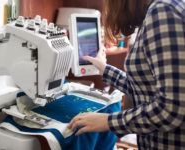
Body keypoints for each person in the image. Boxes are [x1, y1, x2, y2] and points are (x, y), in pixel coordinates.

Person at [68, 0, 185, 149]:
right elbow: (147, 88)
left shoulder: (162, 11)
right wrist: (104, 69)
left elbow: (173, 107)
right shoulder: (163, 9)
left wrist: (109, 121)